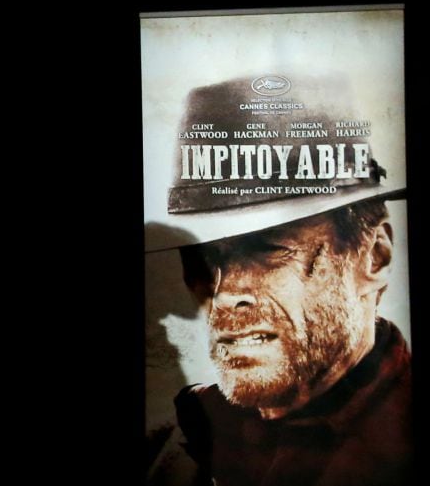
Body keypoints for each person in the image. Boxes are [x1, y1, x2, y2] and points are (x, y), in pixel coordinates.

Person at [145, 77, 411, 486]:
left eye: (269, 250)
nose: (224, 296)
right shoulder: (178, 441)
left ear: (373, 258)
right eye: (203, 259)